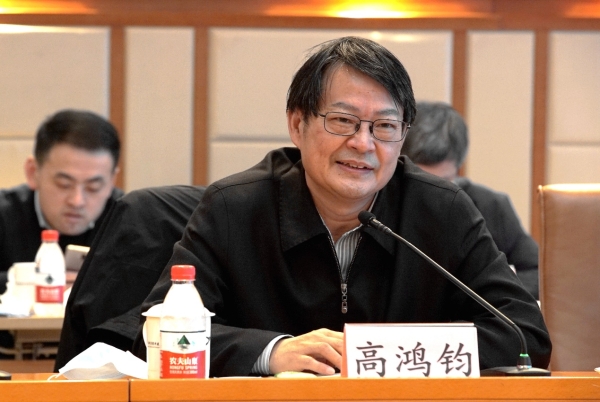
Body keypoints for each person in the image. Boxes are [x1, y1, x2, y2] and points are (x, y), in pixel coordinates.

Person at [133, 36, 551, 377]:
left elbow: (524, 336)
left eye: (385, 126)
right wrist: (271, 352)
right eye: (342, 120)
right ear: (297, 124)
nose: (363, 144)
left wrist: (378, 354)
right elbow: (151, 337)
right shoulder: (233, 208)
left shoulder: (442, 210)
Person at [401, 101, 539, 298]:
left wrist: (485, 290)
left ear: (458, 168)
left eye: (442, 181)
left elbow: (538, 274)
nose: (429, 191)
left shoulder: (490, 206)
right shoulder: (378, 205)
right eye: (419, 179)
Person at [0, 109, 123, 294]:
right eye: (64, 184)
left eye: (93, 187)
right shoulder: (4, 213)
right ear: (33, 172)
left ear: (112, 180)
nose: (77, 201)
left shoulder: (128, 220)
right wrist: (38, 282)